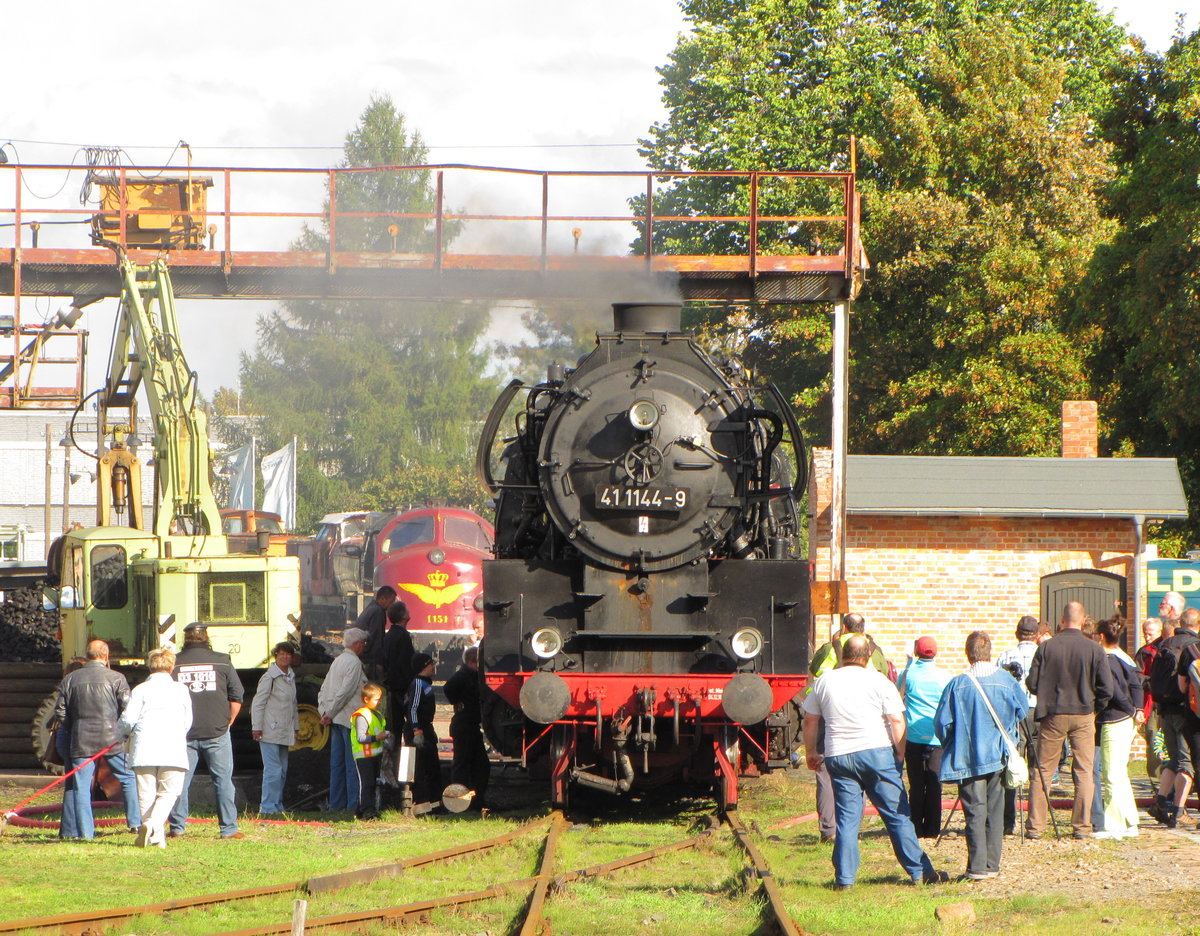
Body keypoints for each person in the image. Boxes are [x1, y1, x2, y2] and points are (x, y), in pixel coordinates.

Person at [802, 635, 945, 889]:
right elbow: (897, 720)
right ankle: (920, 872)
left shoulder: (825, 680)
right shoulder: (879, 680)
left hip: (838, 755)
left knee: (847, 819)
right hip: (876, 754)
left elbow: (811, 719)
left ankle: (844, 879)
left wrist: (811, 752)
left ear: (844, 655)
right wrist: (899, 753)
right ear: (868, 656)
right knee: (896, 815)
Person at [934, 631, 1027, 881]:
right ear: (989, 653)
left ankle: (976, 867)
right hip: (998, 754)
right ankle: (992, 864)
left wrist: (952, 745)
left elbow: (942, 724)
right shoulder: (1006, 680)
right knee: (995, 811)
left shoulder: (957, 684)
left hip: (967, 757)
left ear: (968, 653)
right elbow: (1021, 711)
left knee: (974, 811)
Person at [1024, 601, 1113, 839]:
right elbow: (1107, 688)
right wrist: (1095, 709)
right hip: (1084, 713)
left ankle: (1036, 826)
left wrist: (1047, 694)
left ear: (1062, 621)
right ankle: (1082, 826)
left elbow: (1031, 683)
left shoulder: (1046, 647)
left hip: (1053, 713)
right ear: (1083, 621)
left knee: (1043, 770)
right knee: (1084, 771)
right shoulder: (1094, 649)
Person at [808, 612, 893, 842]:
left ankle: (829, 829)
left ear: (844, 627)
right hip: (865, 717)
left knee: (825, 772)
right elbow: (884, 676)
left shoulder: (830, 647)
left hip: (830, 713)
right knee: (862, 773)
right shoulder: (875, 650)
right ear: (863, 629)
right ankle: (852, 829)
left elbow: (815, 670)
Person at [52, 639, 141, 840]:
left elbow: (60, 711)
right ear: (106, 655)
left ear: (87, 656)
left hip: (81, 738)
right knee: (127, 778)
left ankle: (85, 833)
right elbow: (127, 709)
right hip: (112, 739)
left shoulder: (71, 679)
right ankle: (135, 823)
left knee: (80, 787)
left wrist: (73, 727)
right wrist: (121, 730)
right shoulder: (117, 678)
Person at [168, 622, 246, 840]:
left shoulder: (174, 662)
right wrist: (228, 721)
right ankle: (229, 829)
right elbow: (237, 695)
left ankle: (177, 828)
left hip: (183, 733)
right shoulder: (222, 660)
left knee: (179, 782)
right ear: (206, 637)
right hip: (217, 731)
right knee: (223, 781)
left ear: (186, 639)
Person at [118, 647, 193, 848]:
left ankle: (154, 835)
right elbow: (188, 721)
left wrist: (121, 735)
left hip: (143, 748)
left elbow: (128, 720)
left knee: (146, 794)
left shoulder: (140, 689)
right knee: (169, 792)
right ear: (172, 667)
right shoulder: (181, 689)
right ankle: (154, 826)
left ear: (149, 667)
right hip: (172, 747)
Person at [1094, 618, 1144, 839]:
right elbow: (1136, 684)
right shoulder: (1126, 658)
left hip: (1115, 719)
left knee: (1112, 774)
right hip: (1127, 719)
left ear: (1101, 637)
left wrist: (1131, 710)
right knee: (1120, 773)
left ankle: (1114, 824)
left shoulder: (1105, 659)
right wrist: (1138, 708)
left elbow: (1112, 690)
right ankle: (1130, 820)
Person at [1150, 606, 1200, 827]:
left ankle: (1160, 802)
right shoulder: (1193, 647)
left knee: (1172, 758)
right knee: (1186, 763)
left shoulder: (1166, 642)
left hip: (1164, 707)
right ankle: (1179, 811)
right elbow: (1184, 685)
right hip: (1183, 709)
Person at [898, 636, 951, 838]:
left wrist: (908, 663)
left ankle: (916, 827)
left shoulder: (907, 674)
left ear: (917, 652)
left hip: (913, 736)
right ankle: (933, 829)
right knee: (935, 782)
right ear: (935, 652)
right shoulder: (944, 676)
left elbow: (898, 695)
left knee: (916, 784)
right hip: (937, 737)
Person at [996, 615, 1040, 834]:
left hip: (1012, 711)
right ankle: (1036, 820)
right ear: (1037, 634)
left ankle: (1008, 822)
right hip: (1038, 711)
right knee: (1038, 767)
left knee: (1012, 764)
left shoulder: (1005, 655)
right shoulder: (1043, 653)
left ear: (1017, 634)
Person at [318, 627, 368, 812]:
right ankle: (352, 805)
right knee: (352, 765)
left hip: (336, 719)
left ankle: (336, 804)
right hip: (348, 719)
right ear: (356, 644)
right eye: (362, 643)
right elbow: (345, 693)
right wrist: (329, 713)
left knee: (336, 765)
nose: (363, 646)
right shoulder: (354, 663)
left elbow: (324, 688)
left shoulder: (337, 661)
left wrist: (324, 711)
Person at [251, 642, 299, 817]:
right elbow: (258, 703)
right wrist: (256, 727)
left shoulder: (290, 676)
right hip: (269, 729)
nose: (285, 657)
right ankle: (267, 806)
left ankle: (277, 804)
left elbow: (293, 705)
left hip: (284, 730)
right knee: (273, 770)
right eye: (281, 654)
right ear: (275, 656)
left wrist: (296, 727)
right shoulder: (269, 677)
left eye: (288, 654)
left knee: (283, 770)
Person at [443, 645, 490, 811]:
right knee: (462, 765)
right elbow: (448, 688)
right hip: (464, 724)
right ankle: (458, 802)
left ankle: (476, 800)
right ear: (472, 662)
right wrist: (458, 703)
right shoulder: (463, 675)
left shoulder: (471, 676)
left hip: (471, 725)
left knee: (481, 765)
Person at [52, 657, 86, 840]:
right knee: (78, 785)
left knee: (72, 784)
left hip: (65, 737)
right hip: (77, 738)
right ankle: (77, 829)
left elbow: (59, 711)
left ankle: (68, 830)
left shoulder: (66, 686)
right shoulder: (79, 689)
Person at [404, 652, 443, 808]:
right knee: (421, 767)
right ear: (423, 667)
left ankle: (433, 803)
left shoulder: (424, 684)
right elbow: (412, 709)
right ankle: (422, 803)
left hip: (425, 728)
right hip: (419, 730)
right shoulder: (419, 684)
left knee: (431, 767)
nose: (433, 666)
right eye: (430, 664)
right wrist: (417, 731)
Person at [351, 683, 391, 820]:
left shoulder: (376, 714)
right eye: (376, 699)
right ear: (366, 700)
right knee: (366, 784)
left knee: (372, 783)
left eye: (380, 699)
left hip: (374, 755)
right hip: (363, 756)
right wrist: (377, 737)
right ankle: (365, 810)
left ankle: (365, 809)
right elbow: (361, 738)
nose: (379, 702)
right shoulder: (362, 716)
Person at [1136, 617, 1166, 782]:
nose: (1147, 637)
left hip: (1167, 702)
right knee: (1154, 741)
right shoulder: (1144, 652)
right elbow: (1137, 676)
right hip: (1151, 702)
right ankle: (1156, 782)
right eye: (1145, 634)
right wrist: (1152, 681)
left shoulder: (1167, 648)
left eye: (1150, 634)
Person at [383, 601, 416, 734]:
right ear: (402, 615)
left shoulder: (389, 635)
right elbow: (405, 663)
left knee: (394, 725)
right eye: (407, 610)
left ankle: (394, 752)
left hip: (392, 685)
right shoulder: (403, 636)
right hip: (402, 688)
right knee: (410, 723)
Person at [357, 585, 397, 681]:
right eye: (390, 602)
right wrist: (379, 662)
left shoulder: (371, 608)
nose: (391, 606)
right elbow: (376, 638)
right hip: (369, 660)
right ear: (383, 599)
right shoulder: (378, 612)